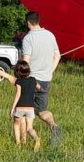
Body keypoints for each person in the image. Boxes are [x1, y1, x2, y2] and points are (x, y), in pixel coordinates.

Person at [21, 11, 62, 145]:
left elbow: (25, 60)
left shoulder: (28, 38)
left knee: (23, 109)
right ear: (39, 21)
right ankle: (54, 126)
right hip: (45, 79)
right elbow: (57, 55)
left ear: (28, 23)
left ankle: (22, 142)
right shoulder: (50, 35)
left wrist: (21, 78)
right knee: (41, 110)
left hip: (31, 79)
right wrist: (50, 71)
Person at [10, 59, 41, 151]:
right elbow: (39, 87)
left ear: (17, 72)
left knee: (16, 125)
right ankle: (36, 138)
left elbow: (18, 94)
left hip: (20, 107)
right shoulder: (33, 80)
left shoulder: (18, 81)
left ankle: (18, 144)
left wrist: (13, 107)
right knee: (29, 128)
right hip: (30, 108)